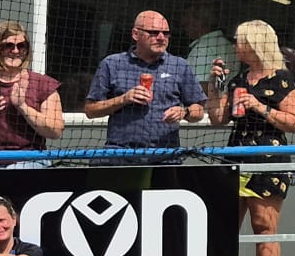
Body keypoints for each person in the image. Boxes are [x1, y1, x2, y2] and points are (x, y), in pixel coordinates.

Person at [209, 19, 295, 256]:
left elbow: (294, 122)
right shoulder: (238, 78)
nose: (236, 46)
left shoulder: (282, 78)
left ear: (254, 44)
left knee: (264, 226)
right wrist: (215, 88)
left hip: (267, 158)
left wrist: (259, 107)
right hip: (236, 156)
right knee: (225, 227)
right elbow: (217, 118)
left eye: (240, 40)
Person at [83, 10, 206, 151]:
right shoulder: (112, 64)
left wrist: (184, 112)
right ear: (135, 34)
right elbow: (90, 110)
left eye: (165, 33)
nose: (161, 38)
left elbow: (199, 111)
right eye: (153, 33)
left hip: (165, 156)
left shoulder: (179, 65)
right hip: (121, 154)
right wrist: (123, 99)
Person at [0, 23, 64, 157]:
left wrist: (23, 107)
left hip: (29, 158)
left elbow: (55, 131)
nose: (15, 51)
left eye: (21, 46)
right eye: (8, 46)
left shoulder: (43, 84)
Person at [181, 6, 233, 87]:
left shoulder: (202, 49)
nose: (183, 25)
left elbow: (199, 85)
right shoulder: (229, 45)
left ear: (199, 23)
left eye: (187, 23)